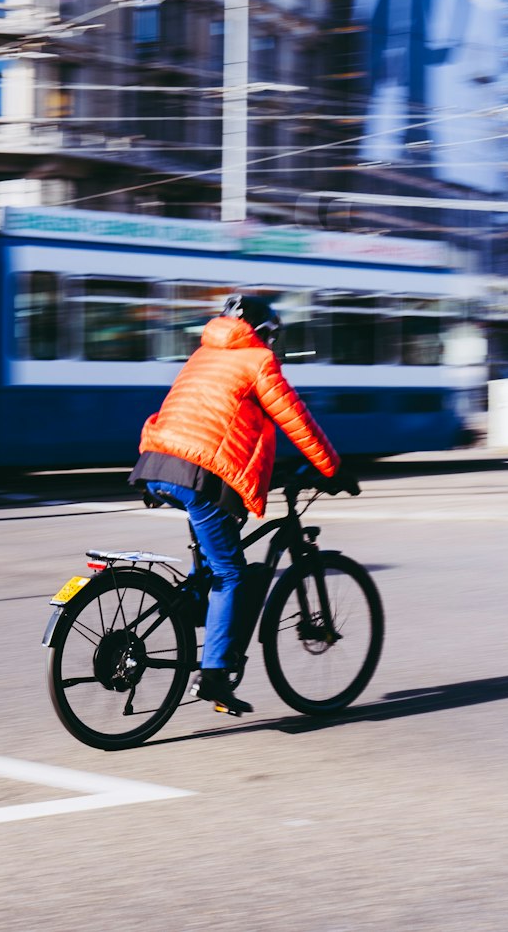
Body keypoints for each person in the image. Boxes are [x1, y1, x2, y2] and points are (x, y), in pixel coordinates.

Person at [128, 293, 358, 716]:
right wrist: (332, 469)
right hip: (200, 474)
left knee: (211, 569)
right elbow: (296, 418)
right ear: (265, 334)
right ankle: (213, 674)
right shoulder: (257, 361)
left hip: (158, 463)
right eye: (273, 338)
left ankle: (201, 622)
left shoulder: (203, 355)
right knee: (231, 574)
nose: (274, 346)